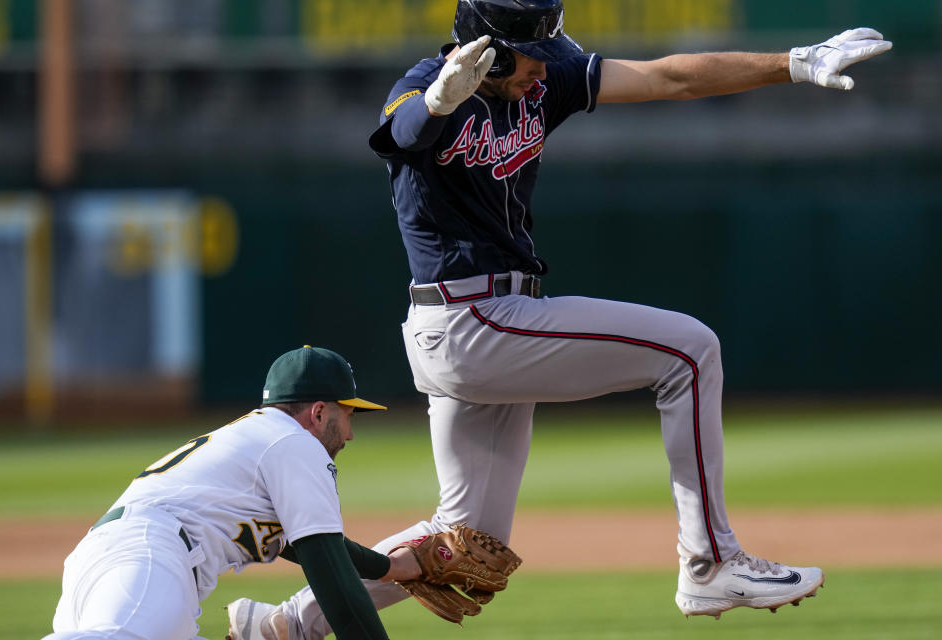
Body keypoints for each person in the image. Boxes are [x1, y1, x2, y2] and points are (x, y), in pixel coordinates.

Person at [225, 2, 893, 638]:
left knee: (467, 543)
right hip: (474, 319)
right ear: (483, 56)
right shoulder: (424, 89)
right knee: (690, 352)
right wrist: (439, 101)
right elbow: (399, 134)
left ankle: (286, 624)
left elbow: (667, 77)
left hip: (479, 323)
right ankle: (710, 562)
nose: (544, 68)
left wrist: (793, 63)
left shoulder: (540, 87)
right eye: (529, 57)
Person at [42, 345, 422, 640]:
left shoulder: (264, 440)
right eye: (348, 416)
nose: (351, 434)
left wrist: (392, 567)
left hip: (119, 558)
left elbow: (324, 548)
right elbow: (334, 583)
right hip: (149, 557)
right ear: (319, 413)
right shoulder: (295, 444)